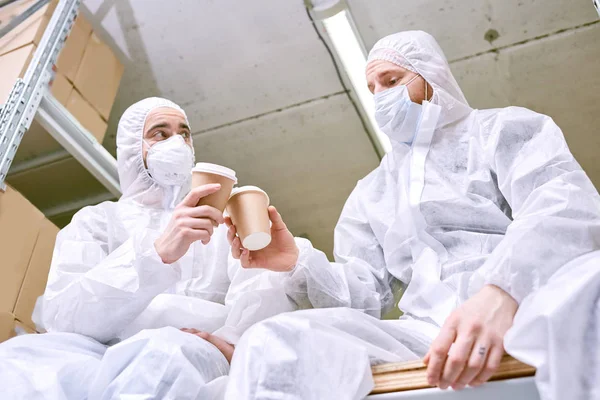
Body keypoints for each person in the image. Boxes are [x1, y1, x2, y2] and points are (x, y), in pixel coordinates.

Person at [222, 31, 600, 399]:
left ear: (433, 76)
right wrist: (296, 262)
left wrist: (501, 291)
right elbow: (367, 295)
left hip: (527, 303)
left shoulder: (503, 131)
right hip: (423, 334)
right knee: (272, 341)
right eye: (373, 89)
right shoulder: (373, 190)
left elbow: (562, 208)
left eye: (392, 80)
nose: (382, 97)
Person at [0, 97, 299, 399]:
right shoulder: (97, 222)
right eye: (160, 133)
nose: (178, 143)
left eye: (184, 134)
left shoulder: (225, 221)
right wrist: (155, 255)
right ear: (132, 149)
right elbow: (66, 319)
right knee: (15, 361)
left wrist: (231, 344)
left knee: (165, 355)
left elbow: (261, 290)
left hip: (203, 351)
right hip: (107, 354)